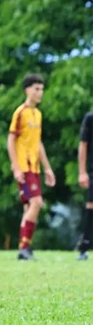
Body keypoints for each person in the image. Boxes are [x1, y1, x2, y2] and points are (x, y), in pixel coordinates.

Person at [7, 73, 56, 261]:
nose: (40, 93)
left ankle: (24, 248)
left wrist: (48, 168)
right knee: (37, 203)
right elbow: (11, 140)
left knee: (29, 206)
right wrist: (16, 167)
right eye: (36, 89)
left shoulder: (38, 114)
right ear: (27, 90)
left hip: (35, 168)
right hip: (24, 167)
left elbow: (38, 143)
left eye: (42, 89)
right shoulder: (21, 112)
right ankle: (24, 246)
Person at [78, 110, 93, 260]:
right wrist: (82, 172)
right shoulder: (90, 117)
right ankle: (85, 245)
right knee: (91, 206)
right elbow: (83, 145)